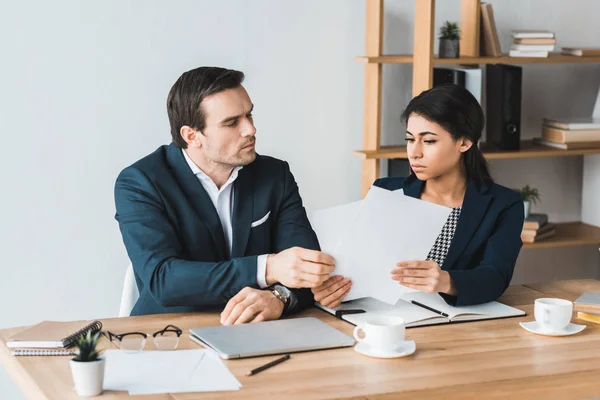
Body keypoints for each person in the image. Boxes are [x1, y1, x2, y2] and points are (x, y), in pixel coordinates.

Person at [114, 66, 335, 323]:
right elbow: (165, 280)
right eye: (231, 123)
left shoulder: (275, 175)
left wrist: (280, 296)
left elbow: (304, 264)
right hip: (171, 333)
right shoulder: (140, 183)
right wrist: (268, 268)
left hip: (259, 330)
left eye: (249, 115)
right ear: (192, 136)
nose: (250, 129)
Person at [313, 84, 524, 307]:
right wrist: (334, 288)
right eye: (410, 139)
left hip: (458, 324)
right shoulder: (387, 191)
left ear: (464, 142)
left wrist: (446, 281)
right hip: (386, 317)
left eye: (429, 140)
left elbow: (496, 277)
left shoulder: (503, 205)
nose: (414, 152)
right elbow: (361, 267)